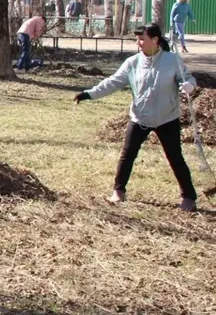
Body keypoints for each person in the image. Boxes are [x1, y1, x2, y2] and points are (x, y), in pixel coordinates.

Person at [74, 23, 198, 213]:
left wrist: (189, 85)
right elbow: (113, 82)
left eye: (142, 39)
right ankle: (118, 191)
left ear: (155, 40)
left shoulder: (172, 60)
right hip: (139, 117)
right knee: (127, 154)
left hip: (167, 117)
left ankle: (188, 197)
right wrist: (88, 94)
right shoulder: (132, 63)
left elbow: (187, 79)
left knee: (175, 157)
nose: (138, 43)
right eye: (137, 39)